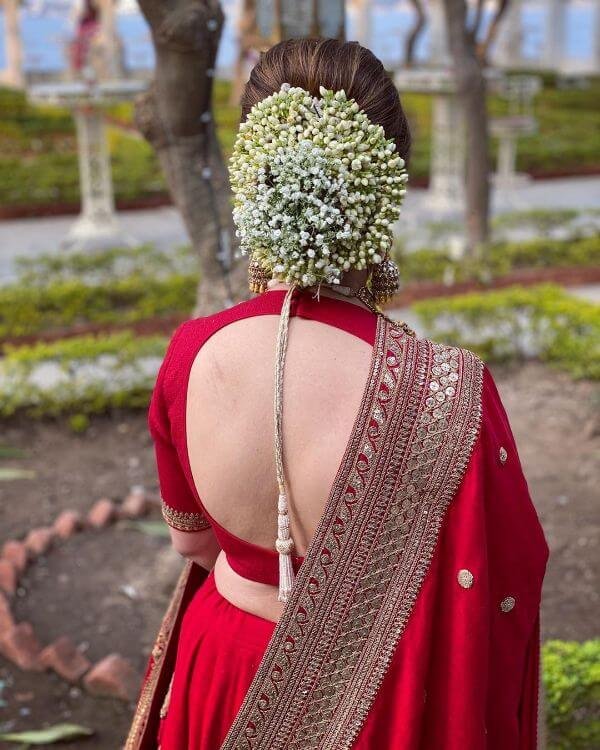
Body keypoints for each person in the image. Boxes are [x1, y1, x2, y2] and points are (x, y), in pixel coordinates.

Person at [126, 38, 548, 750]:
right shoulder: (449, 390)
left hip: (225, 673)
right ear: (384, 191)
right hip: (382, 697)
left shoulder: (191, 356)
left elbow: (190, 542)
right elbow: (497, 587)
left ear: (255, 181)